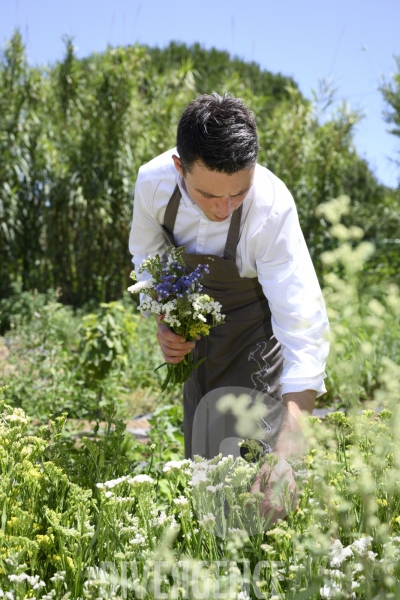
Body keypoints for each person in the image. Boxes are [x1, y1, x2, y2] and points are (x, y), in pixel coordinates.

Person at [129, 93, 330, 516]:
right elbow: (147, 263)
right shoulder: (152, 185)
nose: (224, 209)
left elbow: (303, 331)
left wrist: (290, 453)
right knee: (203, 476)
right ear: (179, 167)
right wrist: (164, 321)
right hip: (196, 341)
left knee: (261, 488)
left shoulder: (272, 209)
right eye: (208, 195)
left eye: (238, 194)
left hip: (255, 335)